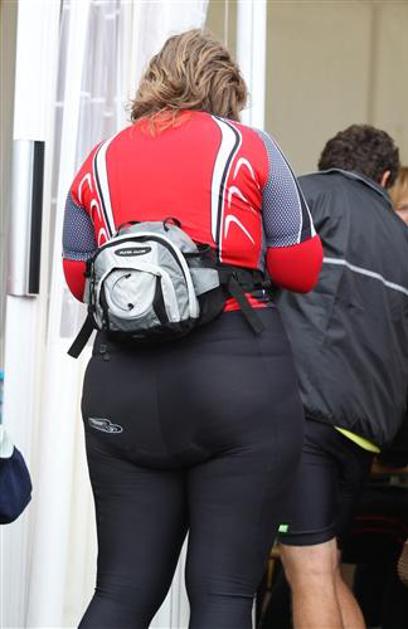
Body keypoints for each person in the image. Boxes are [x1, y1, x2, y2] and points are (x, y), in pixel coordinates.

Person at [62, 29, 322, 629]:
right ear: (228, 91)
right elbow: (301, 267)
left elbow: (79, 279)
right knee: (223, 594)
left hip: (120, 384)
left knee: (121, 591)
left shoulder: (97, 159)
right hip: (236, 378)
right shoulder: (250, 147)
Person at [275, 125, 408, 629]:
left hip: (306, 420)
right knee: (324, 566)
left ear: (328, 160)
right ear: (386, 177)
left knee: (307, 569)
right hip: (365, 436)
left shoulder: (303, 198)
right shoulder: (402, 239)